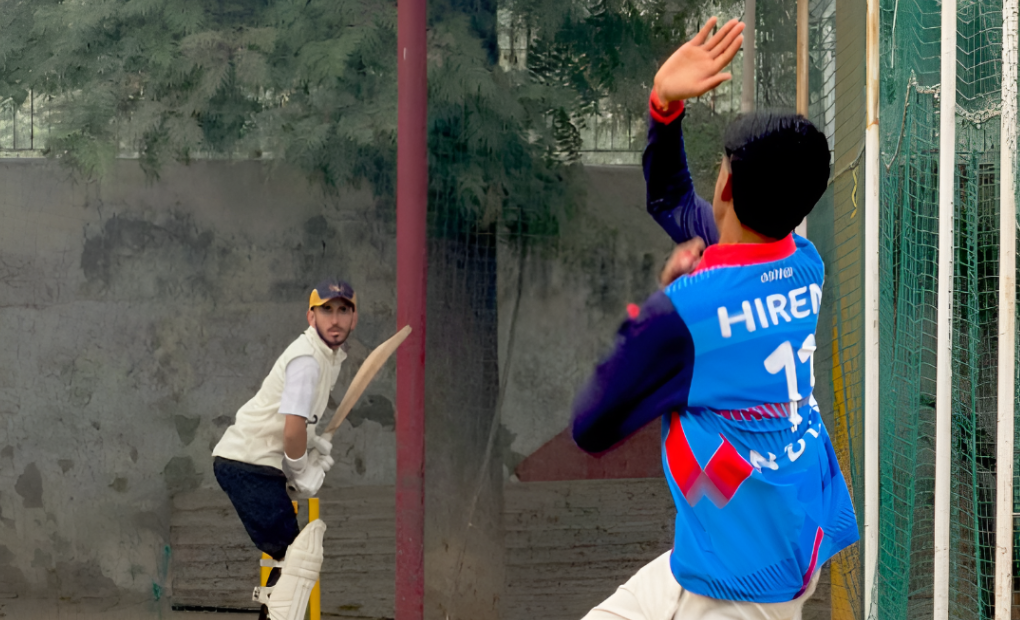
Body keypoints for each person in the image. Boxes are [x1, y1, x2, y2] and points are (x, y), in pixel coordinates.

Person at [571, 17, 859, 620]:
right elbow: (672, 201)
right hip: (778, 522)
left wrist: (658, 305)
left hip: (736, 582)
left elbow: (591, 428)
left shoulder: (687, 312)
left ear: (725, 183)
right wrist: (664, 106)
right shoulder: (803, 262)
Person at [212, 278, 359, 620]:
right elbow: (292, 429)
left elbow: (298, 425)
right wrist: (301, 469)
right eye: (326, 310)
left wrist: (311, 444)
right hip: (247, 462)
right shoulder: (308, 360)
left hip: (256, 463)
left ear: (354, 318)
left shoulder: (327, 357)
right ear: (311, 316)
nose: (335, 319)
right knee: (298, 558)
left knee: (291, 561)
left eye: (343, 310)